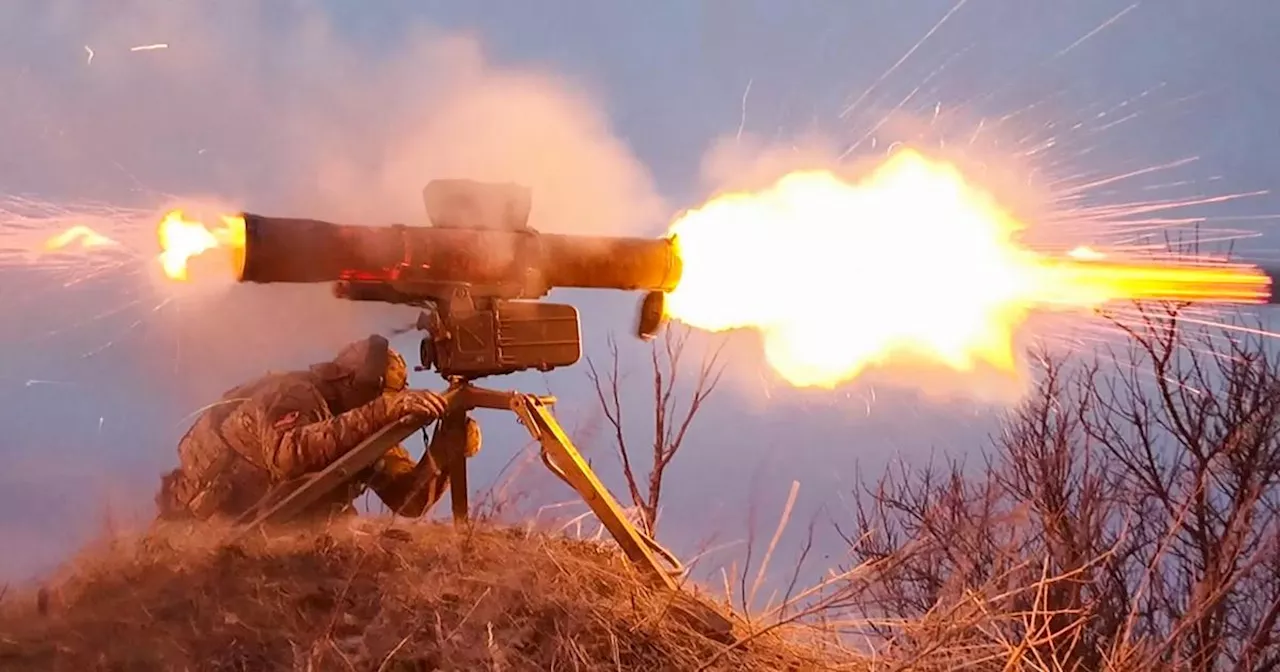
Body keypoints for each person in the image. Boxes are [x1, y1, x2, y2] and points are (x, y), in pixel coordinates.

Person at [154, 334, 481, 523]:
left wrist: (444, 452)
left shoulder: (363, 424)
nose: (380, 407)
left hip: (267, 533)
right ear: (351, 382)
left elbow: (408, 501)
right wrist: (381, 412)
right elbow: (289, 455)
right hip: (208, 525)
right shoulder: (296, 393)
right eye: (375, 396)